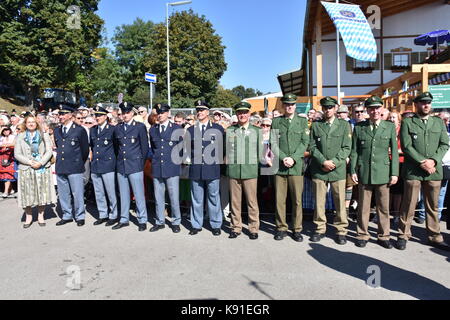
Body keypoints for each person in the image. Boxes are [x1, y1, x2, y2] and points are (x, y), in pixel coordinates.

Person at [396, 92, 450, 251]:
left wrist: (433, 160)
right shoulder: (408, 122)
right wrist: (422, 162)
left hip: (433, 170)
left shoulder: (438, 122)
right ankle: (403, 234)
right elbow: (406, 146)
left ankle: (434, 236)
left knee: (432, 205)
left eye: (428, 102)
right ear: (416, 104)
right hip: (414, 170)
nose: (426, 105)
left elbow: (444, 144)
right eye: (423, 103)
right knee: (409, 204)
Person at [350, 96, 399, 248]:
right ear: (367, 110)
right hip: (364, 171)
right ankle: (362, 234)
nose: (374, 111)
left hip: (383, 172)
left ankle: (384, 236)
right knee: (363, 207)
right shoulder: (359, 127)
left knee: (383, 207)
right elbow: (354, 151)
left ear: (381, 109)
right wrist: (352, 169)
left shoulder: (389, 127)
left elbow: (394, 153)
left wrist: (394, 173)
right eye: (371, 108)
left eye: (377, 108)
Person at [309, 96, 352, 245]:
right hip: (320, 168)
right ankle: (320, 229)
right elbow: (312, 146)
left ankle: (341, 230)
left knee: (340, 202)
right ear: (322, 108)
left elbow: (347, 147)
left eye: (330, 107)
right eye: (325, 107)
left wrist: (334, 162)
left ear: (335, 109)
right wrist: (323, 161)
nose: (328, 110)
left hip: (337, 169)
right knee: (319, 202)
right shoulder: (315, 125)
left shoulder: (344, 125)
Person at [270, 93, 309, 242]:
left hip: (296, 166)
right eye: (287, 104)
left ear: (295, 105)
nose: (289, 106)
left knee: (297, 200)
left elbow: (304, 142)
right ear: (283, 106)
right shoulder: (277, 122)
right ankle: (281, 228)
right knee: (280, 199)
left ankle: (297, 229)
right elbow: (273, 143)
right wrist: (283, 157)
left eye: (292, 104)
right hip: (280, 166)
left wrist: (292, 158)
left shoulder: (302, 122)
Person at [186, 100, 224, 236]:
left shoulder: (218, 129)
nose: (199, 112)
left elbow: (222, 149)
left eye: (202, 110)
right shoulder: (190, 130)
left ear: (208, 112)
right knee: (196, 198)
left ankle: (216, 224)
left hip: (212, 168)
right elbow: (188, 149)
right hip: (196, 169)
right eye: (198, 110)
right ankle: (196, 224)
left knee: (213, 197)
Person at [226, 101, 262, 240]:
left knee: (252, 202)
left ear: (249, 114)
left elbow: (259, 152)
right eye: (239, 112)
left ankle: (253, 228)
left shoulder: (256, 131)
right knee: (235, 202)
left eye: (245, 112)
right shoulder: (230, 130)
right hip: (234, 170)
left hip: (250, 171)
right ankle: (236, 227)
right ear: (236, 114)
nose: (242, 115)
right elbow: (227, 151)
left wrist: (253, 167)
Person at [14, 115, 56, 228]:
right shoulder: (20, 136)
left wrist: (41, 162)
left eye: (33, 122)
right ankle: (28, 217)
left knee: (41, 192)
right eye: (29, 122)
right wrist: (29, 162)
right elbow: (17, 154)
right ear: (25, 124)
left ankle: (41, 216)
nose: (31, 124)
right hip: (26, 168)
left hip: (42, 167)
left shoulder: (44, 135)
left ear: (37, 123)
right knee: (27, 193)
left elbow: (49, 151)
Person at [113, 102, 149, 231]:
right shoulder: (117, 128)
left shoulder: (139, 127)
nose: (125, 115)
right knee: (123, 194)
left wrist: (140, 163)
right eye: (123, 112)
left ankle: (142, 219)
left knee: (139, 194)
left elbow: (144, 148)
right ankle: (124, 218)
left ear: (132, 113)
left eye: (127, 112)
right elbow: (117, 147)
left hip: (135, 165)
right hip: (122, 165)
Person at [149, 103, 183, 233]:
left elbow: (181, 148)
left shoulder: (176, 128)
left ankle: (176, 221)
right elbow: (153, 148)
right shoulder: (153, 129)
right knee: (158, 197)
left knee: (174, 197)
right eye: (158, 112)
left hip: (171, 167)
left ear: (168, 113)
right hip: (158, 167)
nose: (160, 115)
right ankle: (160, 221)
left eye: (162, 112)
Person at [54, 104, 89, 226]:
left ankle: (80, 216)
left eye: (63, 114)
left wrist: (78, 161)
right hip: (61, 166)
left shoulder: (79, 130)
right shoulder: (57, 130)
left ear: (70, 115)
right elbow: (59, 147)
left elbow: (85, 150)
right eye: (59, 114)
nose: (60, 116)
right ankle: (67, 215)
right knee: (63, 193)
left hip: (74, 166)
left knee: (77, 192)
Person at [89, 106, 118, 226]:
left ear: (106, 117)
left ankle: (114, 214)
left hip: (108, 164)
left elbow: (116, 147)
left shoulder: (112, 129)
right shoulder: (93, 130)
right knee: (99, 192)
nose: (97, 118)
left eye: (100, 115)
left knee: (111, 192)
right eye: (96, 115)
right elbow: (92, 146)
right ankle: (103, 214)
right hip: (96, 164)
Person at [0, 126, 16, 197]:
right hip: (2, 157)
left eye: (7, 130)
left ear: (10, 130)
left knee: (8, 173)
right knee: (4, 174)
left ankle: (6, 191)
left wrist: (5, 145)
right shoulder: (1, 138)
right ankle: (10, 189)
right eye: (4, 131)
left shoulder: (13, 137)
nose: (6, 131)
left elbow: (14, 144)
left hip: (10, 157)